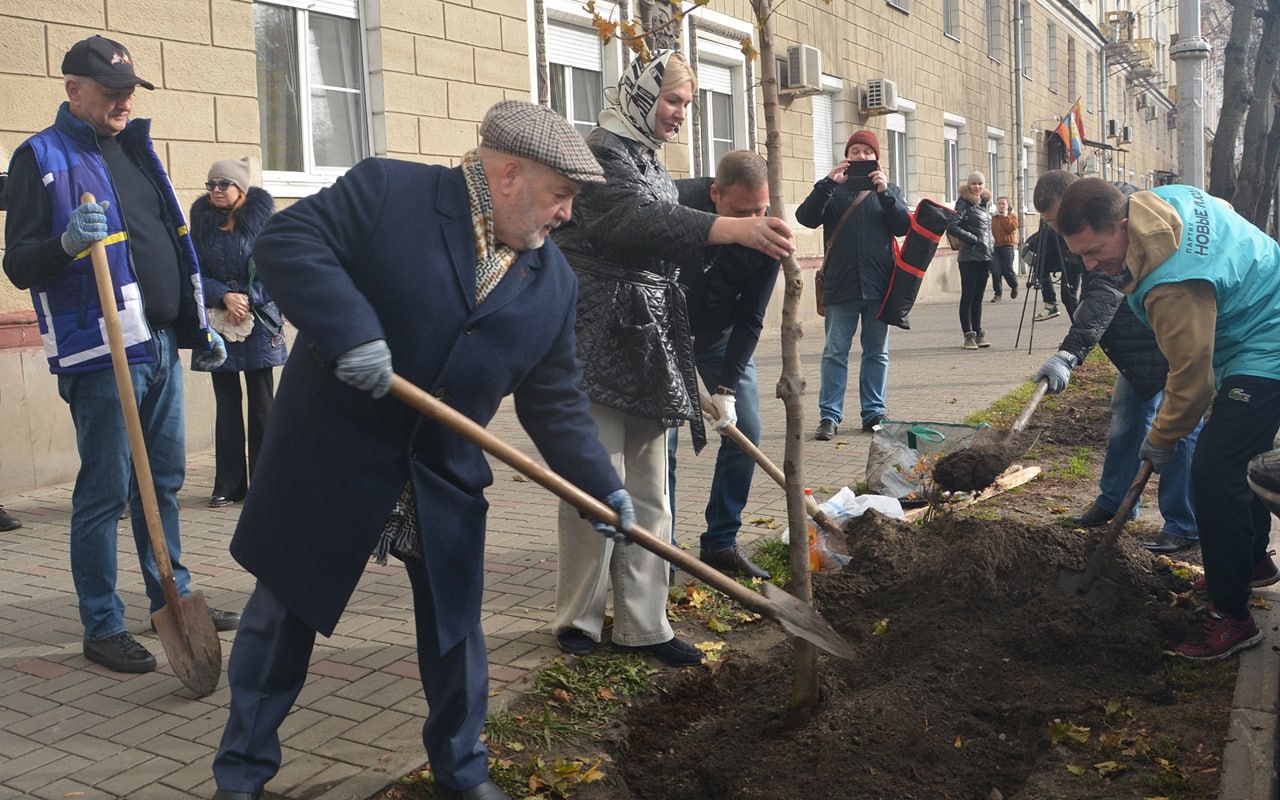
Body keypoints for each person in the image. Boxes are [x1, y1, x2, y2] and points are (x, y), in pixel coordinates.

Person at [211, 101, 632, 800]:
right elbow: (286, 243)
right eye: (561, 196)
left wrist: (596, 485)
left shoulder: (550, 283)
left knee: (456, 633)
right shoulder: (389, 193)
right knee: (281, 620)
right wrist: (351, 332)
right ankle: (242, 776)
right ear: (509, 175)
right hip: (335, 456)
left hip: (438, 472)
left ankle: (462, 773)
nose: (567, 215)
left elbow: (554, 401)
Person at [2, 35, 235, 676]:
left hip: (157, 340)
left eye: (130, 91)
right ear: (73, 88)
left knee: (162, 484)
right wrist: (68, 244)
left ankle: (173, 593)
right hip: (100, 349)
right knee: (106, 489)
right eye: (110, 92)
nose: (124, 102)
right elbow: (18, 263)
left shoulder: (136, 147)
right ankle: (101, 624)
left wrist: (195, 321)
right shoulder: (39, 158)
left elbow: (168, 239)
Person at [550, 52, 793, 665]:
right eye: (673, 101)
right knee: (592, 480)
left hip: (652, 339)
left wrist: (717, 380)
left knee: (652, 487)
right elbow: (639, 220)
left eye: (687, 104)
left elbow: (668, 214)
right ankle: (576, 618)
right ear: (639, 94)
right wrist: (732, 228)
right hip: (598, 335)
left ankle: (644, 623)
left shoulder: (650, 160)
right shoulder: (601, 151)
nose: (681, 114)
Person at [1057, 177, 1280, 661]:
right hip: (1254, 311)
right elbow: (1218, 204)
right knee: (1242, 456)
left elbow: (1191, 379)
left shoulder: (1170, 283)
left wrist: (1160, 439)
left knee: (1214, 471)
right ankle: (1250, 564)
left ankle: (1232, 618)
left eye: (1095, 250)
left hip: (1266, 339)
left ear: (1122, 225)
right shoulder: (1161, 202)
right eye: (1081, 256)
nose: (1091, 265)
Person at [1032, 171, 1200, 554]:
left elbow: (1105, 294)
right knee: (1126, 417)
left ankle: (1184, 524)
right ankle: (1115, 503)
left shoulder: (1116, 229)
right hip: (1136, 345)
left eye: (1058, 221)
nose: (1059, 232)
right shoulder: (1089, 227)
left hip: (1166, 336)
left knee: (1180, 428)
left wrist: (1070, 352)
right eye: (1051, 225)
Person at [669, 150, 780, 580]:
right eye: (741, 212)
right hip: (663, 338)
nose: (754, 221)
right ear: (715, 194)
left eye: (760, 209)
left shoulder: (768, 236)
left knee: (747, 428)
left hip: (720, 341)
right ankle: (666, 547)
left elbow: (752, 317)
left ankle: (720, 541)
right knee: (665, 443)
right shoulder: (674, 203)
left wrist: (727, 388)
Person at [796, 129, 909, 440]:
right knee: (834, 352)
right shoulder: (833, 191)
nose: (861, 157)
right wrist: (828, 184)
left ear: (876, 158)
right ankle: (829, 416)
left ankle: (873, 412)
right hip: (841, 285)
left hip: (879, 286)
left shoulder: (890, 191)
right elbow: (805, 218)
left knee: (877, 352)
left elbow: (903, 226)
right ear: (846, 156)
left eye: (866, 152)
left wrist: (885, 193)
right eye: (855, 151)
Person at [189, 157, 286, 509]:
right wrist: (223, 295)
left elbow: (278, 267)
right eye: (210, 184)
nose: (215, 190)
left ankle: (264, 482)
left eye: (222, 184)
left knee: (262, 405)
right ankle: (228, 486)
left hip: (258, 320)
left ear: (241, 189)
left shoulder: (264, 222)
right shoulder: (200, 222)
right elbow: (194, 269)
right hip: (219, 321)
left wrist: (248, 297)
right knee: (227, 405)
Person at [1025, 172, 1083, 322]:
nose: (1056, 226)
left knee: (1070, 295)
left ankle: (1086, 338)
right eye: (1050, 221)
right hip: (1064, 255)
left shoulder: (1081, 216)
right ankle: (1050, 305)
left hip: (1073, 257)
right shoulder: (1051, 225)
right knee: (1040, 265)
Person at [947, 171, 995, 349]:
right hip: (969, 257)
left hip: (985, 256)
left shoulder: (984, 204)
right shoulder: (963, 203)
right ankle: (968, 335)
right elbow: (952, 226)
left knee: (978, 297)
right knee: (968, 295)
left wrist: (991, 248)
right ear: (969, 186)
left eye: (980, 184)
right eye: (974, 184)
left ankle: (978, 331)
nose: (977, 187)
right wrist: (972, 239)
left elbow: (987, 231)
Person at [989, 195, 1019, 301]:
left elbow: (1010, 229)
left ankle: (1014, 285)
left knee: (1007, 270)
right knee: (995, 271)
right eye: (999, 204)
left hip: (1007, 246)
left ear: (1007, 205)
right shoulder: (994, 217)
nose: (1001, 206)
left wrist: (1005, 216)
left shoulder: (1012, 216)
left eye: (1003, 204)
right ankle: (997, 294)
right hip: (995, 247)